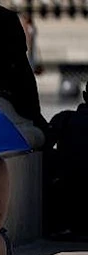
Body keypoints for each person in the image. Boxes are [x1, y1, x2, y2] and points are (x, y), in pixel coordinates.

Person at [0, 0, 51, 144]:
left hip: (1, 90)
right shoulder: (6, 17)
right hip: (4, 92)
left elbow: (21, 68)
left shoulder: (5, 17)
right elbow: (21, 71)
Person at [46, 82, 88, 238]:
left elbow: (44, 146)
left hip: (69, 199)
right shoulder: (65, 120)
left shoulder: (64, 119)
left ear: (84, 96)